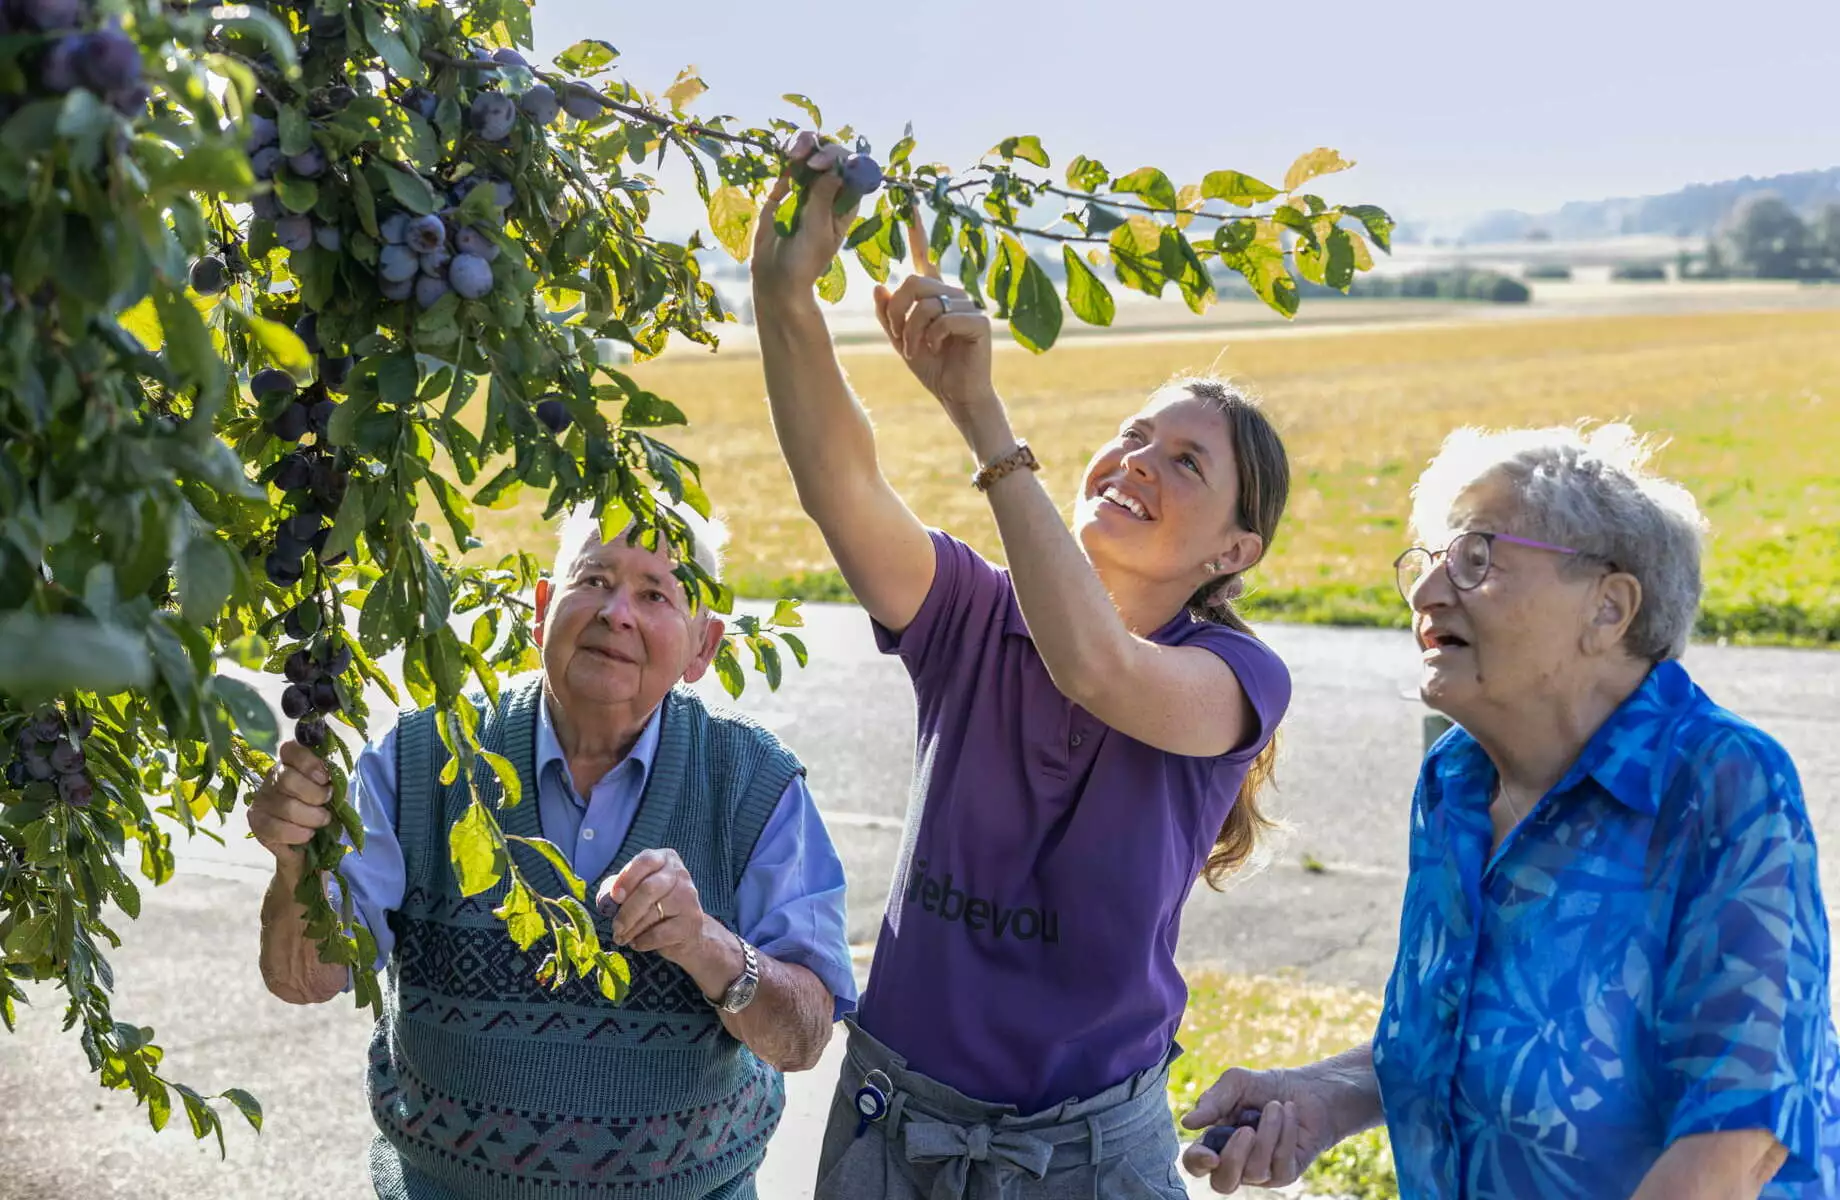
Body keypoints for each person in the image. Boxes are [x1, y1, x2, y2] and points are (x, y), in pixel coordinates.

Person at [750, 135, 1294, 1198]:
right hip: (891, 1127)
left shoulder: (1236, 676)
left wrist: (975, 409)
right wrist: (784, 292)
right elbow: (842, 487)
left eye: (1184, 461)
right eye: (1134, 434)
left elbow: (1098, 668)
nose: (1137, 459)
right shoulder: (971, 612)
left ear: (1233, 553)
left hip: (1092, 1153)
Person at [1181, 423, 1840, 1199]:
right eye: (1425, 565)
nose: (1427, 593)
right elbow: (1454, 1034)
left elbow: (1740, 1136)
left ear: (1609, 607)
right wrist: (1320, 1097)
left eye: (1475, 558)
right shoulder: (1456, 779)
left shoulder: (1717, 780)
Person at [247, 502, 857, 1200]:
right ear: (542, 609)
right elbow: (304, 979)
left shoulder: (753, 781)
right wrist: (294, 861)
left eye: (656, 593)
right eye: (593, 580)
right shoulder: (422, 759)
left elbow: (803, 1038)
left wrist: (710, 947)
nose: (616, 613)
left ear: (702, 647)